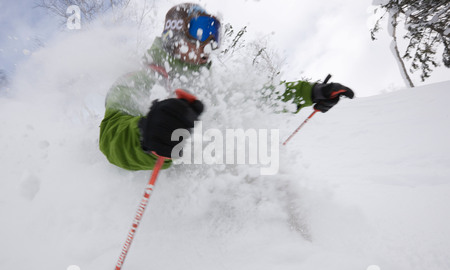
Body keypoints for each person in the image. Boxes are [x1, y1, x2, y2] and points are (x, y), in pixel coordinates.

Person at [99, 3, 354, 171]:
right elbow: (110, 137)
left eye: (216, 34)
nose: (210, 43)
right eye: (202, 30)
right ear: (175, 35)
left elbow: (261, 97)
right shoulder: (139, 79)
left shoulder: (210, 87)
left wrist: (310, 92)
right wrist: (145, 135)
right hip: (165, 208)